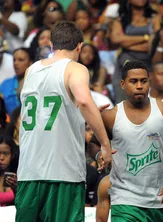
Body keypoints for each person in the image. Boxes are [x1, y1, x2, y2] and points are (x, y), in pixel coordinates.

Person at [15, 21, 114, 222]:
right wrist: (104, 144)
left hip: (28, 173)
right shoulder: (75, 68)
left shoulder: (31, 71)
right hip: (62, 173)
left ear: (51, 45)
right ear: (79, 46)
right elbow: (85, 101)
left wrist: (87, 111)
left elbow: (47, 108)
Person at [100, 60, 163, 221]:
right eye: (133, 81)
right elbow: (96, 145)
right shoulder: (110, 116)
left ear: (149, 82)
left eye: (143, 81)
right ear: (123, 84)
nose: (139, 86)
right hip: (124, 199)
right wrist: (100, 154)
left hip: (159, 199)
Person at [0, 48, 33, 115]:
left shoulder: (36, 83)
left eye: (21, 60)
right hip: (9, 124)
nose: (16, 63)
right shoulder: (6, 84)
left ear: (30, 62)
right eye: (14, 60)